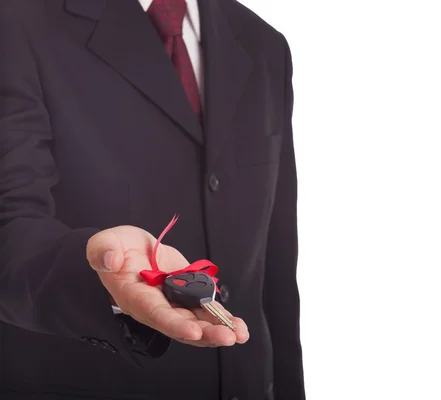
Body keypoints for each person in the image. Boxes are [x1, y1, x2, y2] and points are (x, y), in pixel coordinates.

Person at [0, 0, 304, 399]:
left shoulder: (264, 44)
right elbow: (9, 226)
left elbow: (275, 268)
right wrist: (102, 273)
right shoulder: (17, 20)